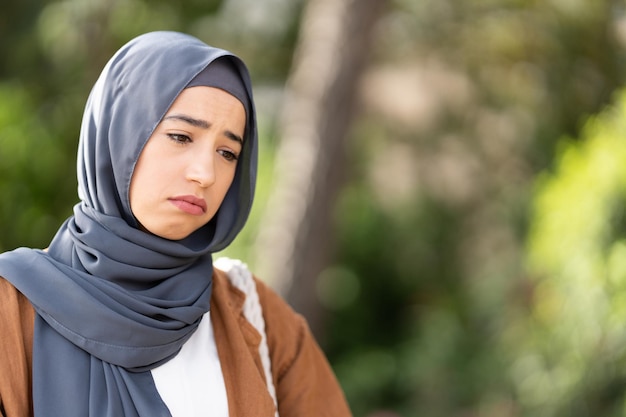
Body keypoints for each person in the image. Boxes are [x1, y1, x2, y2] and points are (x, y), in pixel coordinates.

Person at [0, 31, 352, 417]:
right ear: (118, 133)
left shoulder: (256, 315)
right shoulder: (11, 310)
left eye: (227, 152)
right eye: (181, 136)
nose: (206, 174)